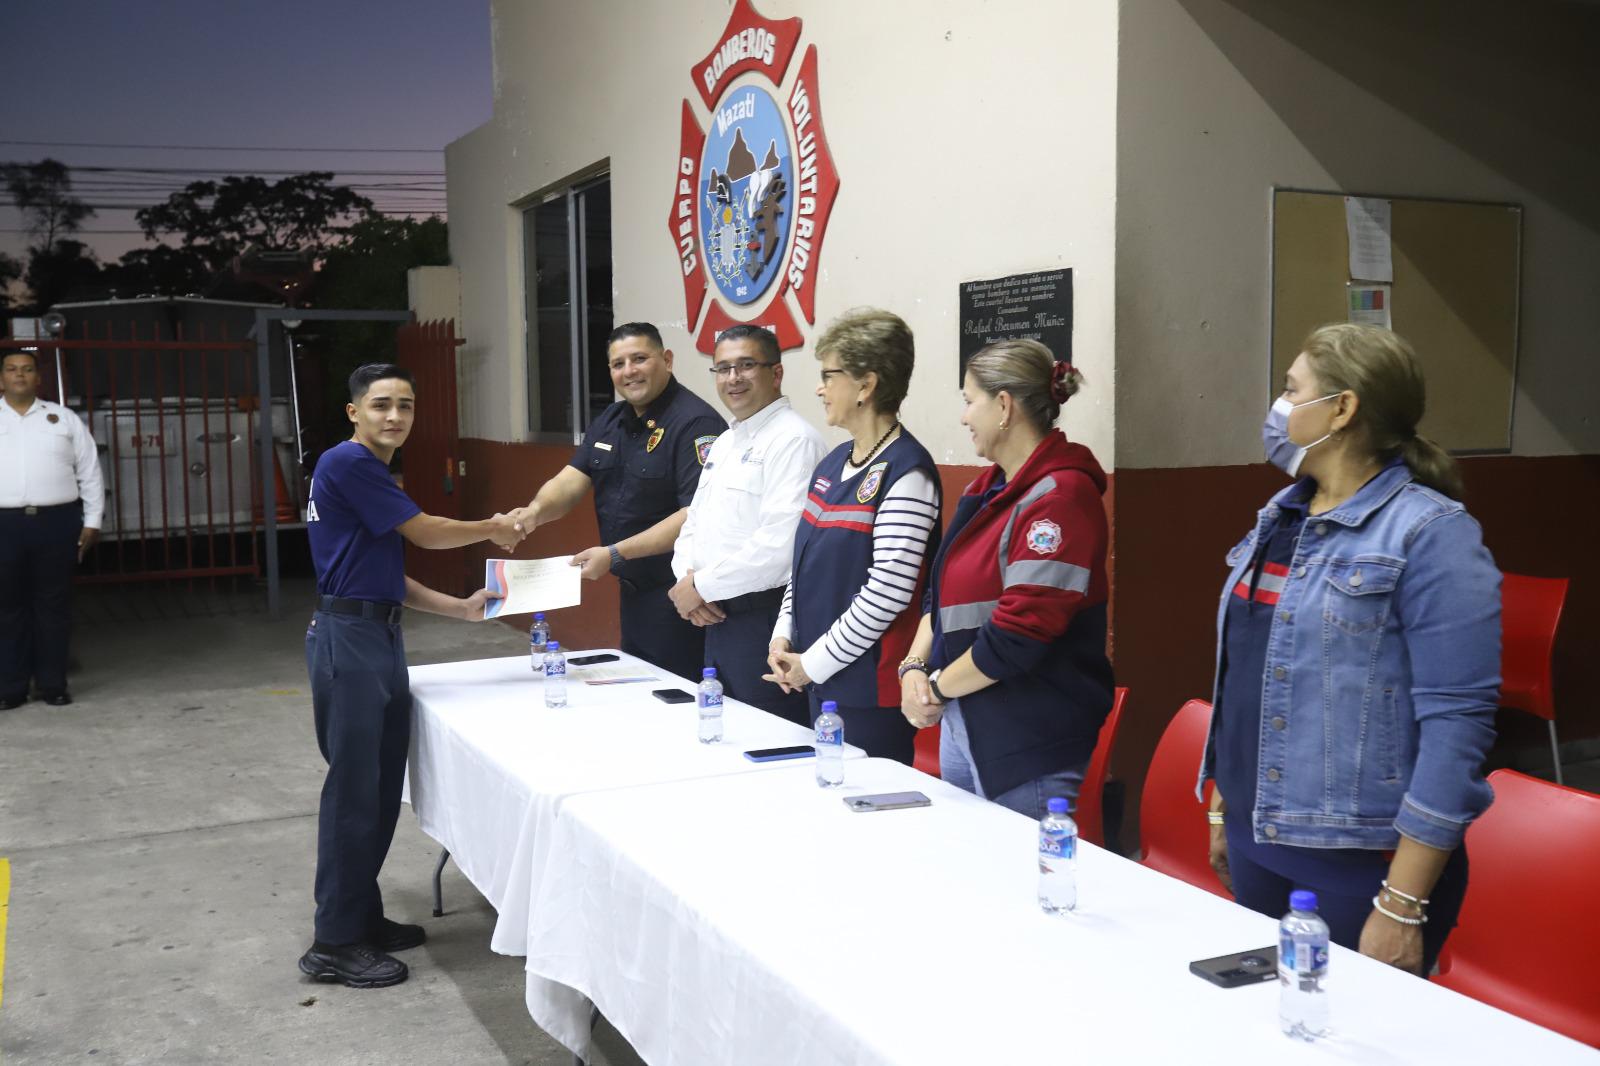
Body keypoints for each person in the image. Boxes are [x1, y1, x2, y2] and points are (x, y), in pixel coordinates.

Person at [1201, 323, 1499, 978]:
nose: (1277, 408)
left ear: (1342, 408)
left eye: (1291, 389)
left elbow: (1457, 728)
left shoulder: (1431, 533)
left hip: (1358, 865)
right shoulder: (1279, 517)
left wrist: (1402, 904)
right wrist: (1224, 807)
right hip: (1259, 841)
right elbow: (1245, 677)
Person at [298, 363, 521, 989]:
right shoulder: (350, 464)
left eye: (406, 405)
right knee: (353, 794)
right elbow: (423, 532)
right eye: (381, 405)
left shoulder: (366, 471)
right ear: (353, 411)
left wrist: (457, 608)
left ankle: (360, 917)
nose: (395, 416)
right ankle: (334, 942)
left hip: (376, 632)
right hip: (351, 643)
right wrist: (493, 528)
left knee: (376, 787)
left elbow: (382, 575)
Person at [899, 339, 1113, 819]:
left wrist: (933, 688)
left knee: (1017, 883)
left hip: (1027, 737)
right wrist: (912, 667)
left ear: (1003, 406)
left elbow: (1018, 636)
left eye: (967, 400)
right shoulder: (989, 485)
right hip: (967, 718)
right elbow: (941, 592)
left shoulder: (1060, 497)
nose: (962, 416)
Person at [763, 309, 941, 763]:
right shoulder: (832, 461)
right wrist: (784, 637)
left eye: (829, 376)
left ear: (866, 385)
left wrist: (813, 663)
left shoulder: (908, 472)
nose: (820, 388)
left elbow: (888, 593)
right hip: (815, 676)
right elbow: (801, 565)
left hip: (868, 694)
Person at [508, 323, 725, 680]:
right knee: (641, 690)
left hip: (682, 597)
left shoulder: (695, 423)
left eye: (639, 359)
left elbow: (695, 515)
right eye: (618, 364)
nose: (629, 371)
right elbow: (569, 481)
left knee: (677, 698)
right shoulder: (611, 419)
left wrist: (613, 554)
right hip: (633, 592)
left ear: (667, 360)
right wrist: (533, 513)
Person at [669, 325, 825, 724]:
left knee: (772, 740)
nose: (733, 378)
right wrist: (687, 580)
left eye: (746, 365)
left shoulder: (794, 440)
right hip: (713, 616)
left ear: (776, 373)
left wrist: (699, 587)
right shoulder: (725, 442)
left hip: (765, 622)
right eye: (722, 368)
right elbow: (695, 522)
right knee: (725, 735)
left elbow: (780, 546)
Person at [0, 349, 103, 709]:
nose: (19, 375)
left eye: (27, 369)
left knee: (53, 606)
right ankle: (11, 687)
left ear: (38, 378)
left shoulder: (63, 418)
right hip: (4, 524)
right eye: (11, 369)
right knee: (7, 608)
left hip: (56, 523)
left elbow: (89, 470)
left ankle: (52, 684)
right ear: (1, 378)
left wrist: (92, 521)